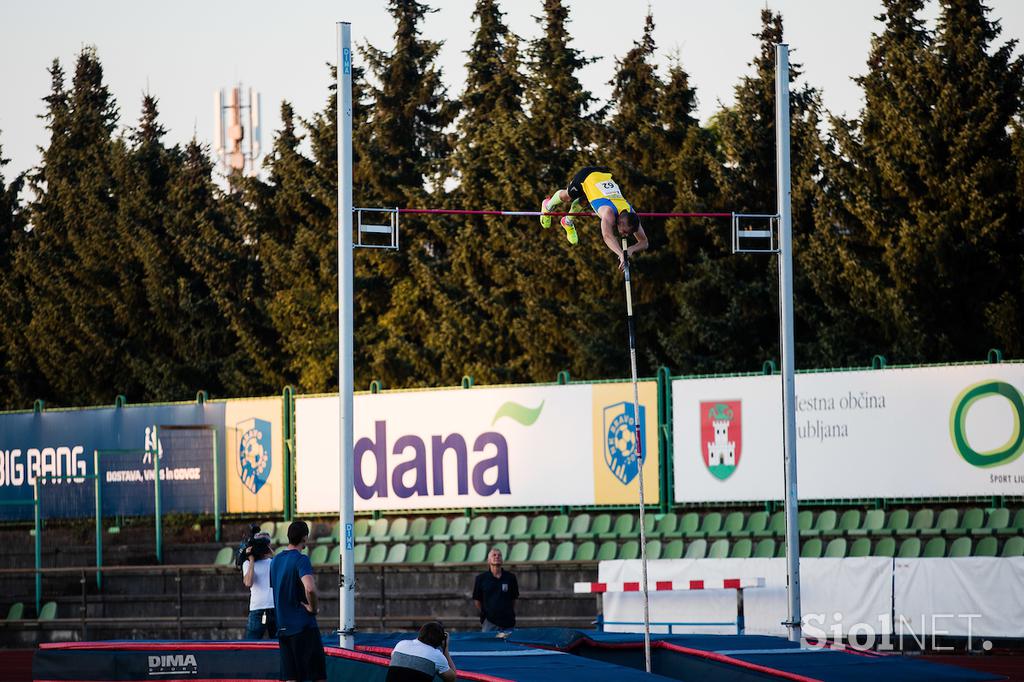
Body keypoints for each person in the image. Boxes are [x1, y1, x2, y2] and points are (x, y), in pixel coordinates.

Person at [540, 165, 649, 270]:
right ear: (620, 222)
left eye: (628, 233)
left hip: (603, 176)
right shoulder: (608, 213)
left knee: (585, 200)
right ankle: (547, 205)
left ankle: (567, 222)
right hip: (587, 176)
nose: (626, 235)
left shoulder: (632, 215)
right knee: (567, 196)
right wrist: (621, 254)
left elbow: (644, 242)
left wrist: (631, 250)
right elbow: (607, 236)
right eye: (625, 231)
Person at [270, 521, 326, 682]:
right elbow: (310, 588)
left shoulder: (275, 561)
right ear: (305, 538)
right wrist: (313, 608)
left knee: (291, 678)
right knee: (317, 677)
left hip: (283, 628)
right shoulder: (301, 560)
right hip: (303, 628)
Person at [384, 621, 457, 682]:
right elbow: (452, 678)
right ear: (441, 640)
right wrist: (445, 649)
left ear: (421, 632)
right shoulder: (437, 655)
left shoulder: (401, 644)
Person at [472, 547, 519, 632]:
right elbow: (477, 600)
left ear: (502, 560)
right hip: (490, 623)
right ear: (488, 560)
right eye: (494, 555)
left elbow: (514, 599)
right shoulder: (481, 578)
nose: (497, 557)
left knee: (508, 645)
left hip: (508, 623)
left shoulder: (510, 578)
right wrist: (487, 614)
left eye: (499, 555)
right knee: (489, 645)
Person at [241, 529, 276, 639]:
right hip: (257, 609)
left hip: (275, 608)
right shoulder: (247, 563)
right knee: (251, 644)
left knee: (280, 644)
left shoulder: (274, 562)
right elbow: (248, 582)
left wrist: (272, 554)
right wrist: (251, 560)